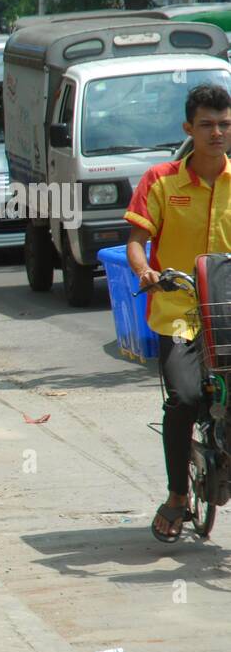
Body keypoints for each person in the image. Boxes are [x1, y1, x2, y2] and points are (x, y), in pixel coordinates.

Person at [126, 84, 231, 542]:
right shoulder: (161, 180)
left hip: (229, 314)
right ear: (189, 129)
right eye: (206, 124)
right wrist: (146, 270)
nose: (217, 133)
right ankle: (176, 496)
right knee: (186, 399)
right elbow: (135, 241)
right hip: (180, 314)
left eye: (225, 124)